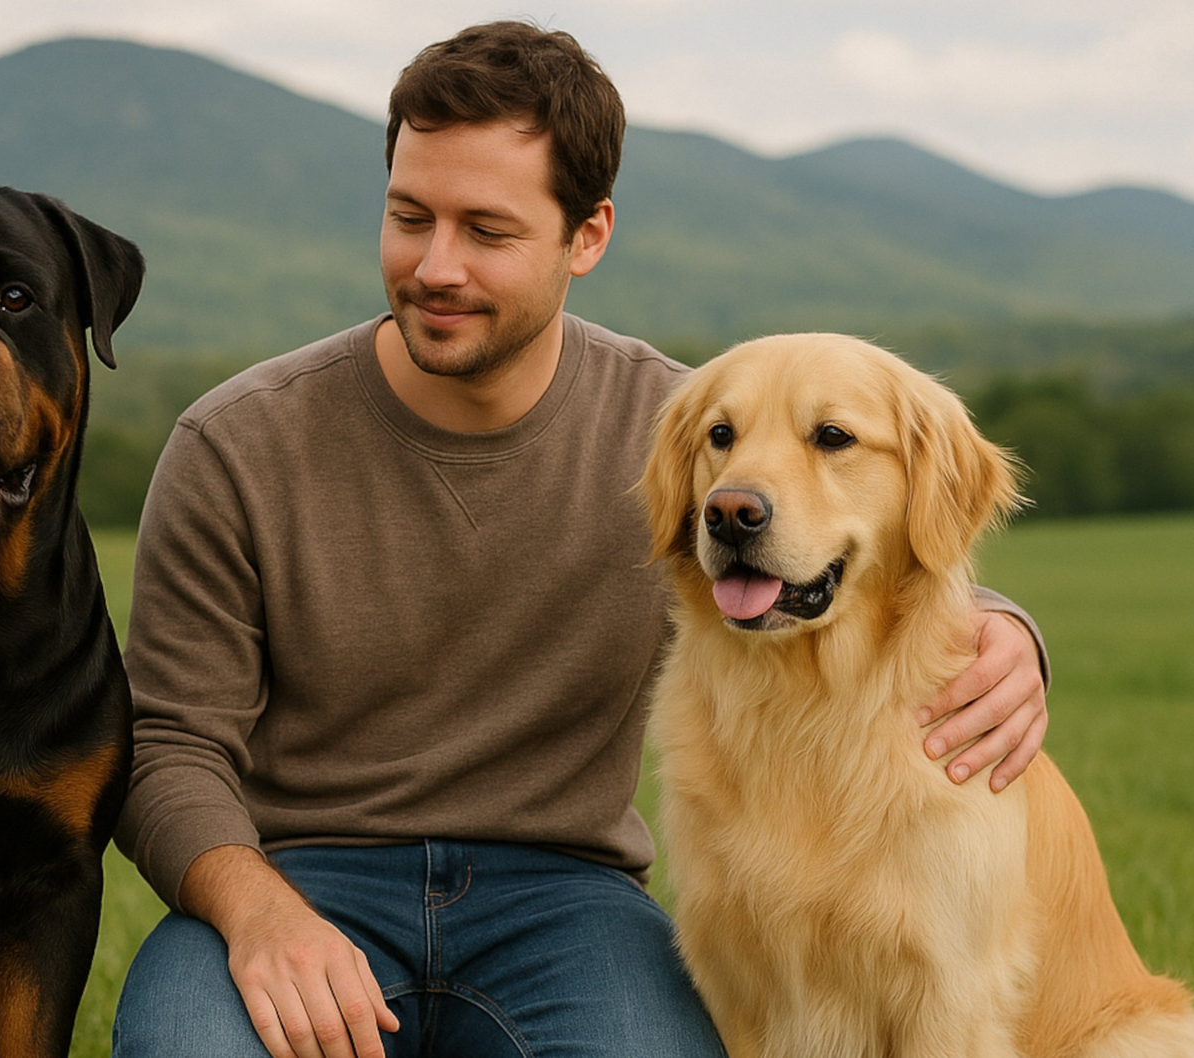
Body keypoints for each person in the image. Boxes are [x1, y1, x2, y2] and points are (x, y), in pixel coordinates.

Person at [110, 21, 1050, 1058]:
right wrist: (256, 911)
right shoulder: (234, 444)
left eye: (488, 230)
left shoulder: (690, 428)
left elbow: (829, 536)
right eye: (408, 216)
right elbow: (166, 745)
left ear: (588, 235)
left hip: (565, 897)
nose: (435, 265)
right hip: (297, 875)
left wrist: (1004, 629)